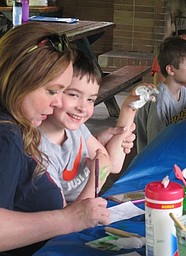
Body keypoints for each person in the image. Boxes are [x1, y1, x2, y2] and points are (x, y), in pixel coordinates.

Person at [0, 23, 110, 254]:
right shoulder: (6, 135)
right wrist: (68, 219)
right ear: (22, 78)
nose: (58, 102)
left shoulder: (19, 126)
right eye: (52, 91)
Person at [39, 49, 138, 204]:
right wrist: (98, 177)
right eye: (73, 95)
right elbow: (66, 219)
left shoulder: (76, 129)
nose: (83, 108)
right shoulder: (41, 151)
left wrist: (128, 110)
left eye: (91, 100)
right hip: (71, 218)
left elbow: (112, 164)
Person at [135, 36, 186, 152]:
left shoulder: (184, 92)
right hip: (152, 157)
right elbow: (154, 143)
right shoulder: (160, 100)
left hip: (170, 146)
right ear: (171, 70)